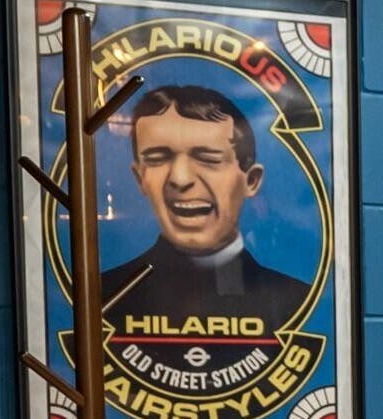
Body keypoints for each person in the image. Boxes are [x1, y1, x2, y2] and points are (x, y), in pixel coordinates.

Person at [94, 83, 313, 339]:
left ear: (251, 180)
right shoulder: (100, 299)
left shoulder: (295, 303)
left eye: (208, 159)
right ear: (140, 177)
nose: (180, 178)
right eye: (157, 158)